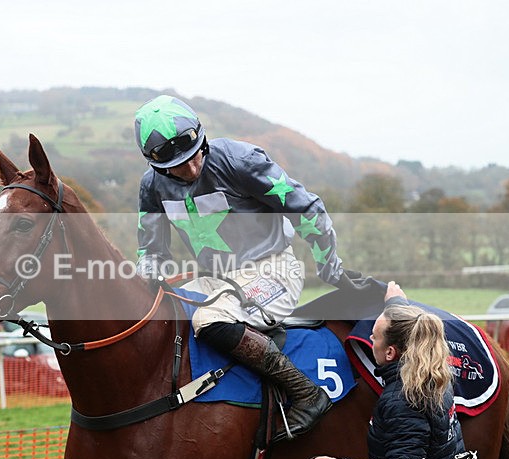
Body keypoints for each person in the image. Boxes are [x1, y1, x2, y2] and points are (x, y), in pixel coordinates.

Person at [133, 94, 361, 438]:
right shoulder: (151, 187)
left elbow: (307, 207)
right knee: (158, 315)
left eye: (195, 155)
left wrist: (329, 265)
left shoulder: (239, 159)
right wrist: (147, 281)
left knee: (210, 319)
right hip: (214, 279)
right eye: (178, 167)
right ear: (155, 165)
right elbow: (151, 251)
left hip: (272, 270)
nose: (192, 169)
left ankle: (306, 393)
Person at [310, 281, 472, 459]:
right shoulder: (435, 378)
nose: (371, 338)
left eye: (374, 336)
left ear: (390, 353)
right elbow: (409, 328)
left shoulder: (402, 400)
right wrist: (395, 304)